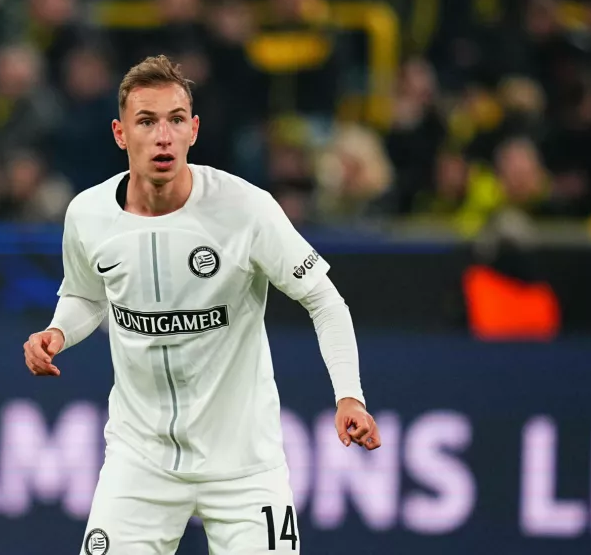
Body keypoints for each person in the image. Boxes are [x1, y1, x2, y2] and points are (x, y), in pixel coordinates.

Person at [23, 55, 381, 555]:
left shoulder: (245, 209)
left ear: (193, 130)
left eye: (174, 120)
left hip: (244, 466)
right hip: (140, 462)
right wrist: (58, 332)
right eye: (146, 122)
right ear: (120, 134)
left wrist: (350, 395)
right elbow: (85, 294)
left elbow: (323, 298)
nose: (162, 136)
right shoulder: (88, 214)